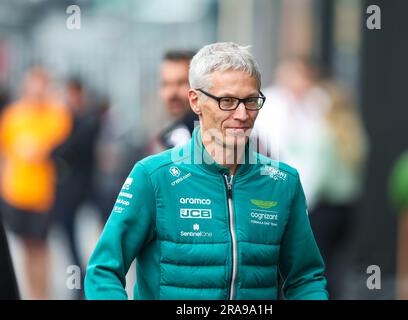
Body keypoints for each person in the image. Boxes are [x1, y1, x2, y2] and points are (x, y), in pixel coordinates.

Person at [85, 42, 328, 300]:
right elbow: (103, 270)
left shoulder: (283, 182)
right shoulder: (154, 176)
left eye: (251, 100)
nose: (242, 114)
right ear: (196, 101)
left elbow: (306, 279)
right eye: (227, 101)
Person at [254, 57, 368, 299]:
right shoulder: (351, 133)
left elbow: (314, 173)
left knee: (314, 268)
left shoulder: (319, 130)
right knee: (330, 267)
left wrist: (299, 204)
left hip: (316, 207)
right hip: (341, 208)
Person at [0, 67, 72, 299]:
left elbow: (61, 144)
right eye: (33, 84)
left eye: (42, 85)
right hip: (17, 193)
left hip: (44, 194)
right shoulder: (13, 116)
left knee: (41, 248)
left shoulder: (55, 114)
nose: (37, 90)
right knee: (26, 249)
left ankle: (43, 294)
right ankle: (31, 293)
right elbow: (5, 153)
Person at [51, 78, 101, 298]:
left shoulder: (88, 120)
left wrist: (53, 151)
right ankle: (76, 287)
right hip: (68, 194)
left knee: (86, 243)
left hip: (86, 192)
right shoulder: (65, 120)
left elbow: (66, 149)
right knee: (71, 246)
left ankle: (84, 286)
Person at [149, 50, 198, 153]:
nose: (172, 93)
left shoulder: (212, 138)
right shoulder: (168, 137)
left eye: (181, 83)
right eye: (166, 84)